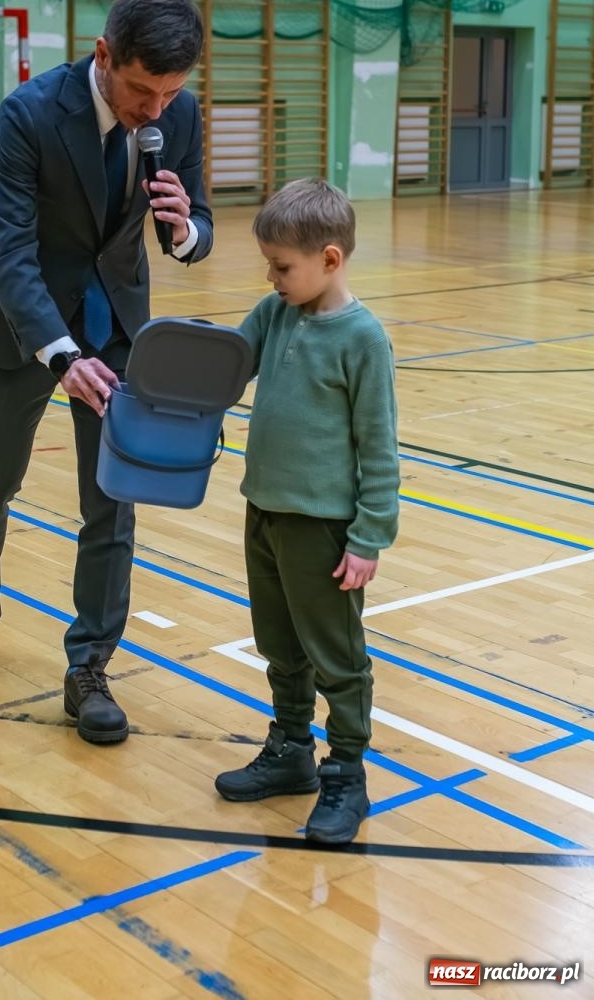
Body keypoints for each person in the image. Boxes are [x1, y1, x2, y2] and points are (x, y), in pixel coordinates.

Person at [0, 0, 213, 746]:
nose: (156, 110)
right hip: (25, 325)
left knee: (111, 502)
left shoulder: (178, 113)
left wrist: (186, 231)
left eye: (171, 93)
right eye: (143, 90)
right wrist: (59, 354)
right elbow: (8, 248)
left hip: (116, 325)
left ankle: (90, 666)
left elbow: (200, 226)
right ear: (104, 55)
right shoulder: (29, 113)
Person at [214, 178, 399, 843]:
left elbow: (378, 447)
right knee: (279, 645)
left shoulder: (363, 339)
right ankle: (291, 750)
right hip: (263, 512)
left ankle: (346, 773)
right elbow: (226, 369)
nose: (271, 277)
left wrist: (368, 537)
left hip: (323, 528)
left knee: (336, 657)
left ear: (329, 259)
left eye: (282, 267)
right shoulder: (276, 313)